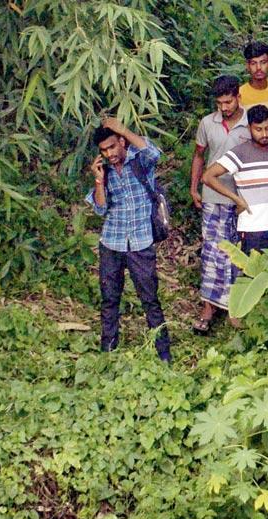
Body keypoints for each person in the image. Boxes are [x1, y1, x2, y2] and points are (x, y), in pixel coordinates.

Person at [85, 116, 172, 362]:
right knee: (110, 299)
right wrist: (99, 179)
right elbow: (100, 209)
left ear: (122, 142)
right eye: (104, 150)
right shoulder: (106, 172)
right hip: (111, 243)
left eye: (112, 146)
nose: (110, 153)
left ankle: (163, 354)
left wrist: (121, 128)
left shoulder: (139, 162)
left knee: (150, 299)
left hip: (141, 241)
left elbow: (154, 153)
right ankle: (108, 353)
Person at [189, 74, 251, 334]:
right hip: (213, 197)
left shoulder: (252, 123)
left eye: (228, 102)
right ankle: (209, 307)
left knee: (238, 253)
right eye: (219, 103)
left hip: (242, 199)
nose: (224, 108)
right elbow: (199, 156)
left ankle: (235, 307)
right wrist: (194, 188)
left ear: (238, 97)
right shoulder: (207, 123)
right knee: (213, 254)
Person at [203, 104, 268, 256]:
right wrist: (237, 200)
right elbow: (208, 176)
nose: (264, 134)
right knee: (253, 277)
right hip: (250, 230)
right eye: (258, 129)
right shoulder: (239, 153)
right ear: (249, 128)